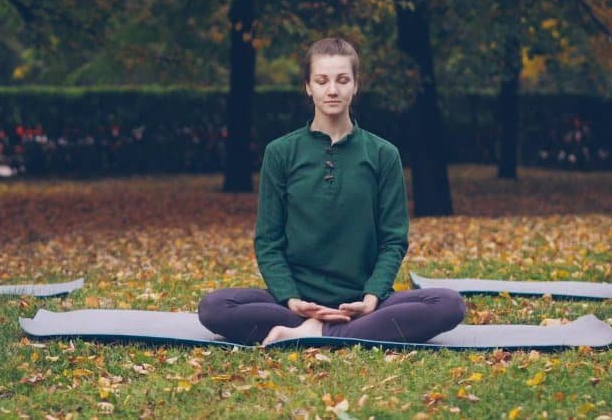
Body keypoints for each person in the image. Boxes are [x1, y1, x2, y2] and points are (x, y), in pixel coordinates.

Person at [198, 38, 465, 345]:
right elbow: (268, 241)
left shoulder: (383, 154)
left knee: (449, 304)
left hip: (363, 304)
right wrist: (290, 299)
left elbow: (393, 239)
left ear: (355, 85)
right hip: (296, 305)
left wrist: (372, 297)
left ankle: (317, 331)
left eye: (342, 80)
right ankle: (327, 329)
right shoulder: (280, 152)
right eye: (322, 81)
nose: (333, 90)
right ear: (308, 87)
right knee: (214, 307)